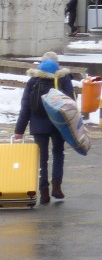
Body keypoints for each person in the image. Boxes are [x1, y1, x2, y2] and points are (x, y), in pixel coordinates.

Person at [13, 55, 76, 205]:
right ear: (57, 64)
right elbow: (71, 103)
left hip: (38, 126)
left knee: (42, 158)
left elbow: (26, 107)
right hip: (59, 124)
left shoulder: (33, 80)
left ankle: (44, 191)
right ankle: (56, 184)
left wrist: (19, 130)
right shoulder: (63, 79)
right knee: (58, 152)